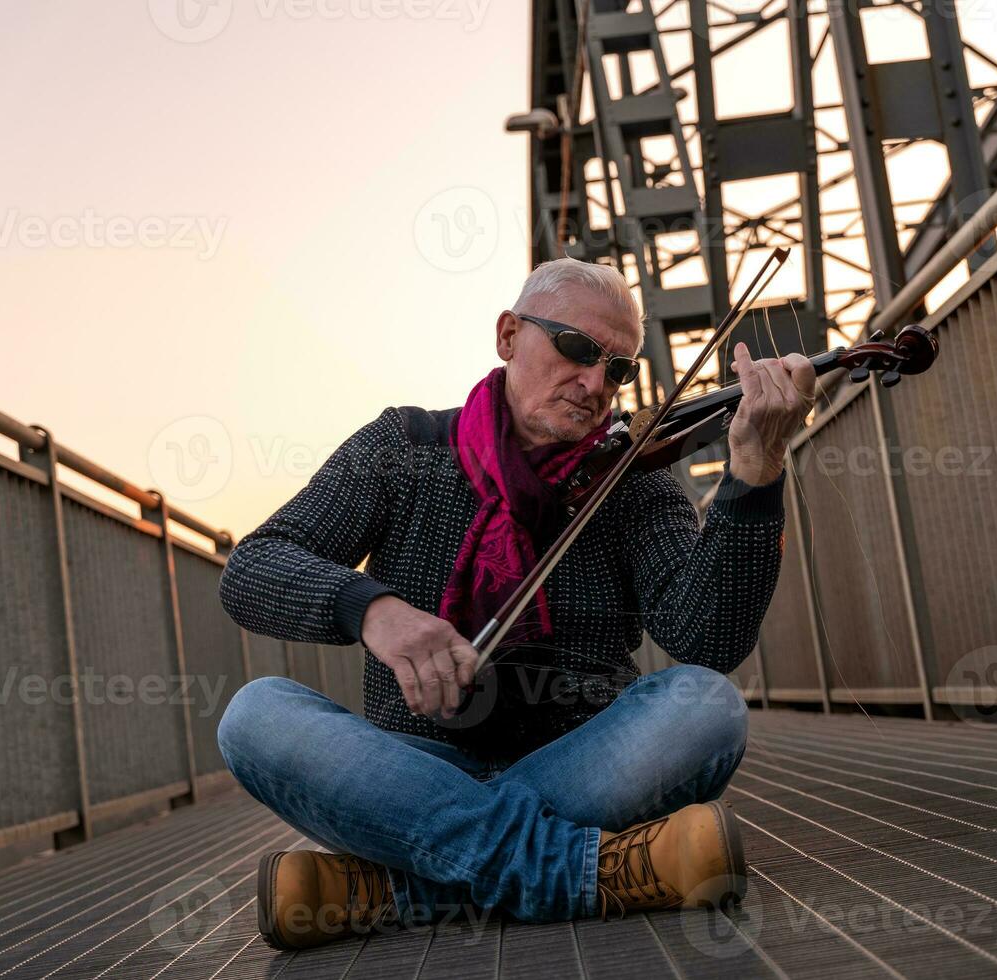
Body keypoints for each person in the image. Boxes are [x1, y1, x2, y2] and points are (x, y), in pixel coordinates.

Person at [216, 257, 816, 950]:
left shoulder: (632, 478)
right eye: (577, 349)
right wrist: (372, 609)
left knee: (707, 706)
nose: (595, 384)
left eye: (618, 370)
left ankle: (403, 882)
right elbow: (253, 568)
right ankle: (587, 871)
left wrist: (755, 473)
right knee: (254, 716)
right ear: (508, 336)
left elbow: (705, 640)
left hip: (585, 764)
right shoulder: (403, 449)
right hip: (415, 765)